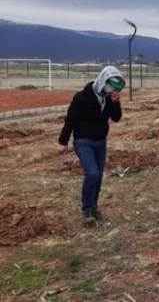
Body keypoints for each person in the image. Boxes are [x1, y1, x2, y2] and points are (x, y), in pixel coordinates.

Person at [58, 66, 125, 227]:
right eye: (110, 86)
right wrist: (63, 141)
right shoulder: (82, 97)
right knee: (92, 174)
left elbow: (116, 118)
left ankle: (94, 208)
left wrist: (116, 103)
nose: (111, 90)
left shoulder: (108, 99)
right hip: (83, 141)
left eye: (114, 88)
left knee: (99, 176)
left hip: (100, 141)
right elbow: (71, 119)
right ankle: (86, 210)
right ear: (102, 80)